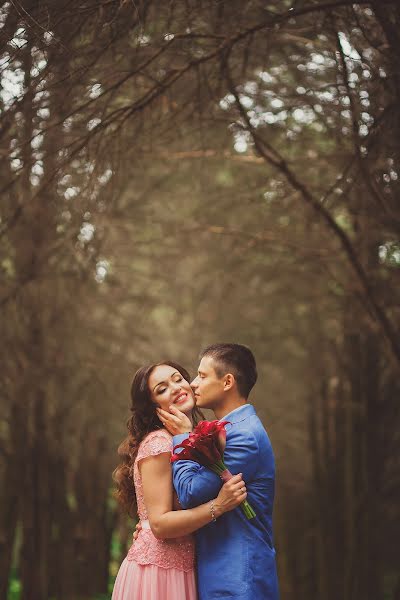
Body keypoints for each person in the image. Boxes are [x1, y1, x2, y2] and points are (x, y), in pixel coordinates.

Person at [112, 361, 247, 600]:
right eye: (162, 389)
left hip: (185, 570)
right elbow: (160, 525)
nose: (175, 388)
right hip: (157, 575)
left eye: (177, 379)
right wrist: (220, 505)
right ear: (154, 407)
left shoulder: (188, 438)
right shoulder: (159, 444)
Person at [157, 344, 279, 600]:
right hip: (219, 573)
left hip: (238, 578)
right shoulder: (229, 429)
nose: (192, 384)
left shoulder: (244, 436)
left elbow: (192, 493)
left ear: (227, 382)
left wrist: (182, 437)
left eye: (202, 376)